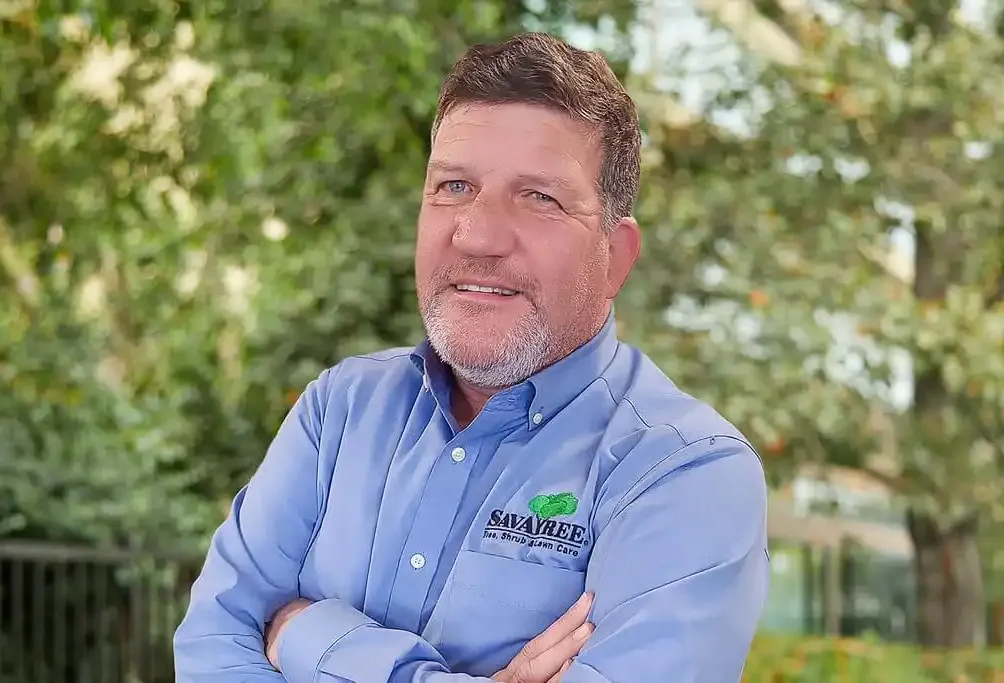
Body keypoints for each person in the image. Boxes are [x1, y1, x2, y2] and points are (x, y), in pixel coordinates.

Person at [173, 31, 769, 683]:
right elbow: (211, 643)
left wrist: (305, 633)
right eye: (454, 186)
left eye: (540, 197)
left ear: (615, 258)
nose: (478, 234)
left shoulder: (685, 471)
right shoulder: (338, 412)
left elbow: (248, 635)